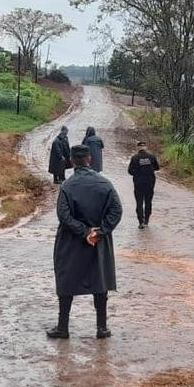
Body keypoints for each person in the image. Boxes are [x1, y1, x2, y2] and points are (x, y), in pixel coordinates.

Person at [49, 144, 123, 339]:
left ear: (72, 161)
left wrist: (85, 232)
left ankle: (63, 327)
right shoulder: (105, 184)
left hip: (71, 242)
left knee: (66, 282)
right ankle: (102, 327)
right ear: (89, 159)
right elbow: (117, 211)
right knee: (99, 282)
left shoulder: (67, 186)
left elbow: (63, 216)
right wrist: (100, 232)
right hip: (99, 243)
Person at [127, 141, 160, 229]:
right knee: (148, 201)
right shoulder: (152, 156)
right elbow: (157, 167)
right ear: (145, 148)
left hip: (138, 183)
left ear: (138, 148)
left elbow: (130, 171)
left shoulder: (134, 158)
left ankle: (141, 222)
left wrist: (137, 173)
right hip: (150, 182)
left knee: (139, 202)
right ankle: (146, 220)